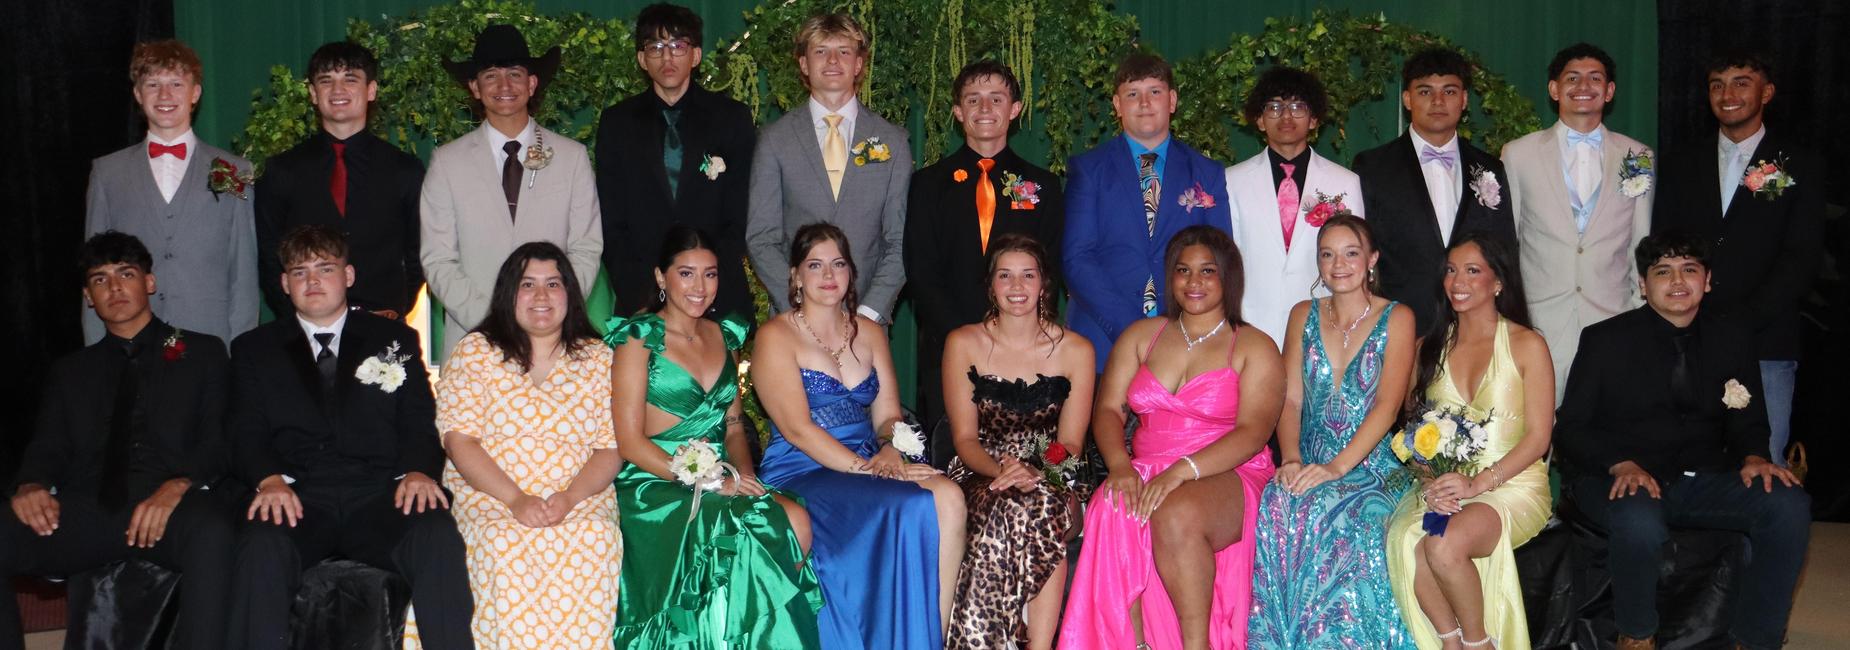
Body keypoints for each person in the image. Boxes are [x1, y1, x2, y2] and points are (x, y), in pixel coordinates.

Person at [1556, 233, 1809, 650]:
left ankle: (1756, 638)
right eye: (1663, 271)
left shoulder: (1732, 336)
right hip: (1619, 477)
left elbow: (1748, 418)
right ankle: (1636, 635)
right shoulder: (1604, 339)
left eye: (1689, 269)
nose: (1678, 281)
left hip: (1701, 477)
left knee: (1787, 503)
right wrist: (1620, 463)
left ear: (1707, 281)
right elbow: (1572, 428)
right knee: (1638, 520)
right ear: (1642, 284)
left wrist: (1754, 456)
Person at [223, 226, 471, 649]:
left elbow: (418, 420)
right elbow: (244, 428)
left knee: (436, 533)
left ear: (349, 276)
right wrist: (268, 479)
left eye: (325, 268)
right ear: (284, 284)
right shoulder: (254, 348)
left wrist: (417, 471)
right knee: (260, 543)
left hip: (380, 495)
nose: (313, 281)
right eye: (299, 272)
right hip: (299, 497)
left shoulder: (393, 339)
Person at [1, 232, 235, 650]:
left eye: (125, 274)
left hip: (170, 503)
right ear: (89, 297)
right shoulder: (70, 371)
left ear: (149, 282)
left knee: (213, 531)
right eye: (100, 279)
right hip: (91, 505)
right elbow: (47, 445)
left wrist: (178, 486)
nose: (114, 287)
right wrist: (31, 484)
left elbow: (218, 439)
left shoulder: (202, 352)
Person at [1060, 225, 1281, 650]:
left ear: (1228, 278)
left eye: (1207, 271)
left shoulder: (1254, 345)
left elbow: (1255, 432)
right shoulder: (1143, 335)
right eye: (1182, 270)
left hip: (1226, 469)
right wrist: (1120, 466)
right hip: (1143, 465)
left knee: (1176, 513)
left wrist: (1181, 471)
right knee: (1112, 503)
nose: (1193, 282)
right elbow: (1107, 410)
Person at [606, 226, 822, 647]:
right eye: (686, 274)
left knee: (794, 520)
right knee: (739, 528)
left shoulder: (726, 336)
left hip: (720, 474)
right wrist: (705, 481)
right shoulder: (638, 338)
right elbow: (629, 443)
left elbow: (736, 426)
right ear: (660, 277)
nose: (699, 287)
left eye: (710, 274)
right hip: (655, 482)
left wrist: (741, 475)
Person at [753, 223, 965, 648]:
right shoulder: (776, 336)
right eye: (815, 265)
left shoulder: (869, 332)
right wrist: (868, 468)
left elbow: (887, 414)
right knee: (906, 503)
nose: (828, 275)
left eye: (838, 264)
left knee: (949, 496)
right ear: (795, 275)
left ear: (851, 272)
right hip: (803, 468)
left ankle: (930, 638)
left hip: (868, 460)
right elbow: (798, 430)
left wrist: (889, 448)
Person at [435, 242, 622, 648]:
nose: (541, 296)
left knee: (595, 537)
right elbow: (459, 440)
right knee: (501, 542)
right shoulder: (476, 352)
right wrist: (516, 499)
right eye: (528, 284)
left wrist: (569, 498)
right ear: (508, 293)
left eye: (553, 283)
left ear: (570, 293)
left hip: (579, 495)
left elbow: (610, 448)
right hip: (491, 496)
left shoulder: (598, 358)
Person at [1249, 215, 1416, 648]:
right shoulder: (1301, 314)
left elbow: (1388, 405)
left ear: (1372, 259)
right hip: (1307, 459)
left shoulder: (1398, 317)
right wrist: (1290, 459)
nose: (1338, 264)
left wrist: (1338, 468)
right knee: (1277, 499)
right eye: (1327, 254)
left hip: (1373, 466)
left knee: (1340, 512)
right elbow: (1290, 399)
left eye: (1351, 253)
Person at [1384, 233, 1554, 649]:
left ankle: (1479, 643)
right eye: (1451, 270)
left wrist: (1478, 485)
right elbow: (1409, 433)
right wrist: (1429, 482)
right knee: (1407, 541)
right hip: (1445, 487)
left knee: (1440, 545)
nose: (1457, 281)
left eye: (1472, 270)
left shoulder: (1527, 344)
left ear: (1498, 282)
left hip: (1511, 485)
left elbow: (1538, 439)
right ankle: (1450, 641)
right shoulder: (1428, 348)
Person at [1653, 50, 1823, 466]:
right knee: (1687, 460)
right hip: (1689, 336)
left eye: (1741, 83)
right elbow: (1665, 244)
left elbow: (1801, 256)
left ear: (1766, 92)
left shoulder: (1798, 163)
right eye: (1717, 84)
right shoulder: (1680, 162)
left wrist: (1743, 319)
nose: (1727, 94)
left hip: (1766, 339)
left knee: (1763, 462)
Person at [940, 233, 1094, 649]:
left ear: (1045, 284)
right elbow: (965, 439)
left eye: (1028, 275)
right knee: (1003, 505)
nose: (1016, 287)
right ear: (990, 285)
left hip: (1056, 470)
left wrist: (1035, 471)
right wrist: (1004, 470)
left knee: (1042, 503)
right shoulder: (963, 342)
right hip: (979, 469)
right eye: (1005, 276)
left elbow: (1072, 444)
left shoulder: (1077, 349)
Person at [421, 24, 602, 357]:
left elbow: (586, 247)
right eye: (490, 75)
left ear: (532, 84)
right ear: (474, 87)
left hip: (553, 342)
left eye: (515, 74)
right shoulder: (447, 162)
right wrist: (493, 323)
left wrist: (547, 314)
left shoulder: (571, 157)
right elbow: (438, 259)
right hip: (473, 342)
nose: (504, 85)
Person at [907, 59, 1066, 435]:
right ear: (958, 112)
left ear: (1014, 110)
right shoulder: (928, 185)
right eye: (973, 99)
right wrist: (966, 341)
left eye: (996, 99)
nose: (985, 109)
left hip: (1025, 352)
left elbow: (1051, 270)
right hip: (948, 347)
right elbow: (921, 271)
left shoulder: (1042, 185)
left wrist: (1015, 339)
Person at [1503, 43, 1653, 402]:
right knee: (1535, 429)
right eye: (1572, 77)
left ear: (1610, 90)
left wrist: (1638, 307)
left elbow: (1641, 239)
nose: (1583, 85)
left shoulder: (1637, 155)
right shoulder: (1518, 153)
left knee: (1608, 430)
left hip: (1612, 318)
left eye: (1595, 78)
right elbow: (1509, 240)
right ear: (1554, 89)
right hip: (1540, 320)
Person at [1064, 54, 1232, 374]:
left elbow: (1219, 258)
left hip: (1186, 339)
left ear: (1172, 100)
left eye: (1154, 91)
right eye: (1132, 94)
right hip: (1103, 340)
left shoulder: (1207, 173)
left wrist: (1176, 329)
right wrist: (1132, 330)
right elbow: (1077, 257)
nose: (1144, 102)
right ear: (1116, 104)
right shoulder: (1089, 170)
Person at [84, 39, 258, 345]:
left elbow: (243, 273)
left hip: (210, 340)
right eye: (153, 84)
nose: (165, 95)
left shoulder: (235, 170)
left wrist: (240, 354)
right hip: (131, 342)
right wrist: (97, 352)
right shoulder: (107, 173)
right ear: (138, 94)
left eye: (177, 83)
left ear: (195, 93)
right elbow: (94, 269)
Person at [746, 13, 912, 323]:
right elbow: (762, 237)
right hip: (793, 321)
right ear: (804, 64)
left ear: (859, 64)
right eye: (821, 51)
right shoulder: (774, 139)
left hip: (865, 321)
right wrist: (797, 305)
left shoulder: (894, 141)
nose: (833, 60)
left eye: (844, 51)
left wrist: (868, 313)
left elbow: (899, 239)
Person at [596, 3, 757, 319]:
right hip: (642, 298)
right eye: (655, 47)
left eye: (677, 45)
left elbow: (740, 215)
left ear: (695, 55)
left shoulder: (731, 118)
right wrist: (643, 292)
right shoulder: (617, 123)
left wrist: (705, 284)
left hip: (717, 296)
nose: (667, 57)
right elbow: (611, 220)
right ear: (642, 59)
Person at [256, 42, 426, 321]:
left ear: (371, 90)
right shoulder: (282, 170)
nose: (338, 91)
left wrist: (393, 309)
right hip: (304, 332)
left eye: (350, 79)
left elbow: (418, 254)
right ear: (313, 93)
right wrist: (297, 319)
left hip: (383, 326)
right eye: (326, 81)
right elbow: (268, 256)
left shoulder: (404, 170)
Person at [1353, 49, 1515, 339]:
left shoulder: (1489, 168)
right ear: (1407, 99)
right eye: (1425, 91)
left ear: (1464, 100)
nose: (1438, 101)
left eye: (1449, 91)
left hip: (1476, 329)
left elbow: (1504, 252)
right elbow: (1363, 252)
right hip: (1399, 327)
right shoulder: (1372, 166)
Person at [1223, 66, 1366, 347]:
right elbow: (1228, 261)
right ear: (1260, 120)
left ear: (1314, 119)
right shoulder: (1232, 181)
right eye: (1274, 107)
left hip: (1325, 326)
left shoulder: (1345, 182)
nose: (1286, 116)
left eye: (1297, 106)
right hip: (1249, 328)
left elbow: (1355, 262)